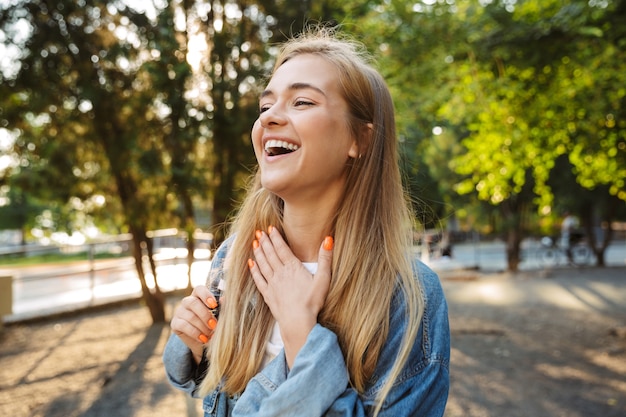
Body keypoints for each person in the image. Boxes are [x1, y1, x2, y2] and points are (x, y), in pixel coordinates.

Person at [162, 25, 450, 417]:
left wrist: (302, 335)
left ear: (359, 141)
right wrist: (192, 343)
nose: (269, 119)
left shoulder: (410, 296)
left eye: (301, 102)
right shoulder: (237, 254)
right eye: (265, 107)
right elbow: (216, 390)